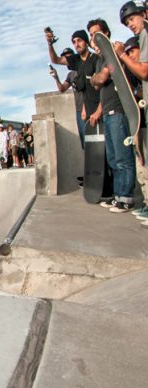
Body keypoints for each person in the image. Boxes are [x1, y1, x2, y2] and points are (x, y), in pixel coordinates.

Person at [89, 18, 136, 213]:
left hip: (119, 110)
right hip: (107, 111)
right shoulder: (101, 59)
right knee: (113, 158)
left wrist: (95, 78)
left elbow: (101, 79)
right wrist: (99, 111)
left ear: (105, 34)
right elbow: (99, 86)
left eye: (96, 34)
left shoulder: (113, 53)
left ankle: (126, 197)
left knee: (123, 157)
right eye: (91, 35)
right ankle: (118, 196)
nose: (93, 38)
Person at [115, 1, 148, 225]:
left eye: (132, 20)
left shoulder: (146, 32)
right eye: (127, 24)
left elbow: (144, 71)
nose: (131, 26)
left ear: (144, 14)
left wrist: (121, 56)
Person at [47, 28, 101, 139]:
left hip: (100, 109)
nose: (76, 44)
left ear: (86, 42)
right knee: (90, 146)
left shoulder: (96, 59)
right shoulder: (76, 61)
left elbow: (103, 89)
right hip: (87, 111)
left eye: (79, 41)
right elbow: (55, 60)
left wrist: (98, 111)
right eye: (74, 42)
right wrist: (50, 44)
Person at [50, 47, 86, 148]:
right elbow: (62, 89)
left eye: (68, 57)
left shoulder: (83, 68)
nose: (66, 60)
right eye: (65, 58)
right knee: (84, 142)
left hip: (87, 107)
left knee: (93, 140)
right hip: (78, 111)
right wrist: (56, 77)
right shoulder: (71, 75)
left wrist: (85, 107)